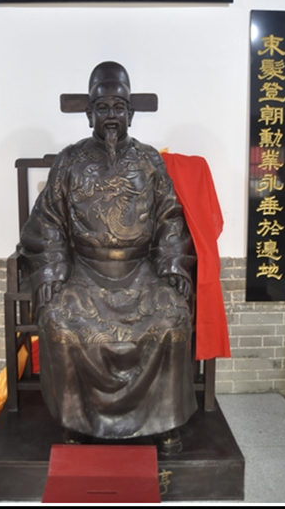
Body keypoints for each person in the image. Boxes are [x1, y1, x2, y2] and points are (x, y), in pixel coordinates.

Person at [18, 61, 197, 453]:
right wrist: (52, 268)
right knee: (60, 323)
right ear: (89, 115)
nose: (111, 115)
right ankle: (76, 420)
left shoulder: (149, 161)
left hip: (140, 271)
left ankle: (164, 420)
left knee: (172, 318)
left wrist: (171, 262)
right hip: (85, 272)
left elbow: (169, 216)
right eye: (102, 107)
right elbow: (47, 220)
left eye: (119, 107)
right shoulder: (69, 161)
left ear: (130, 113)